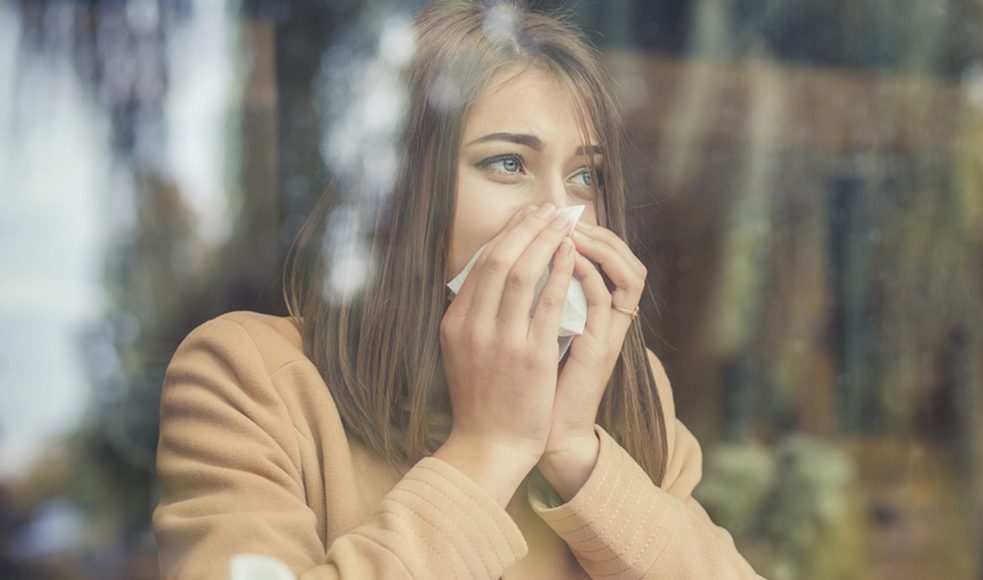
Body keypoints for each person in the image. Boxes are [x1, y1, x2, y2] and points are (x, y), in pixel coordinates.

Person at [152, 1, 763, 578]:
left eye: (585, 176)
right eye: (508, 163)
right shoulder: (249, 378)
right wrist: (489, 447)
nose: (560, 215)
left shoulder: (626, 388)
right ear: (401, 193)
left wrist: (577, 450)